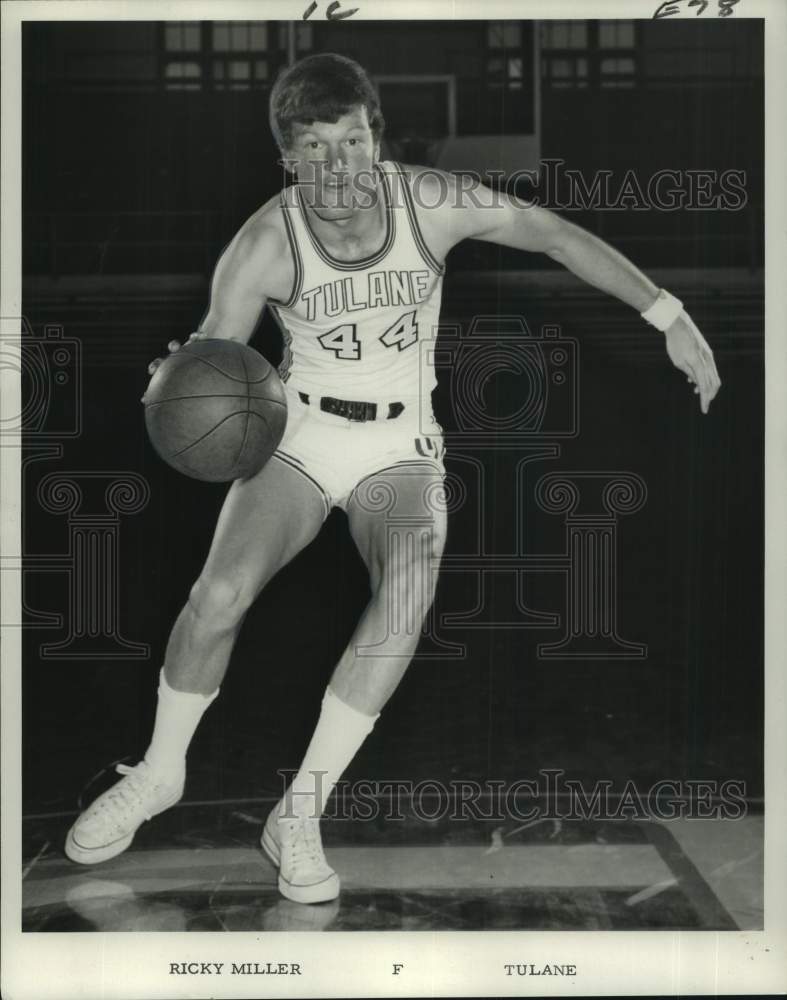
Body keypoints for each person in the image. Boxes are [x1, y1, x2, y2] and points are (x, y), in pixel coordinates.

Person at [64, 53, 721, 904]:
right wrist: (183, 375)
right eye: (314, 146)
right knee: (218, 596)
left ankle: (298, 813)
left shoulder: (432, 203)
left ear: (377, 138)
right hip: (300, 433)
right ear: (287, 159)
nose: (338, 164)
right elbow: (215, 352)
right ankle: (159, 772)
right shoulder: (263, 244)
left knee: (406, 593)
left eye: (353, 139)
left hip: (400, 445)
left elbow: (552, 233)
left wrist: (667, 314)